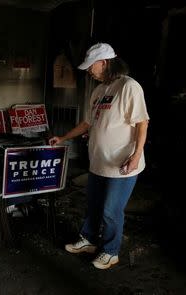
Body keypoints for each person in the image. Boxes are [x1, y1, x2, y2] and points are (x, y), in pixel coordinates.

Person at [49, 43, 149, 270]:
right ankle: (89, 240)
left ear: (104, 62)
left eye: (91, 67)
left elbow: (143, 123)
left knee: (111, 211)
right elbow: (88, 123)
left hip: (121, 165)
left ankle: (111, 251)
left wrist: (136, 155)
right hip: (98, 162)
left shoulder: (128, 87)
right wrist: (63, 138)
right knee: (93, 205)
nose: (89, 71)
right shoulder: (99, 91)